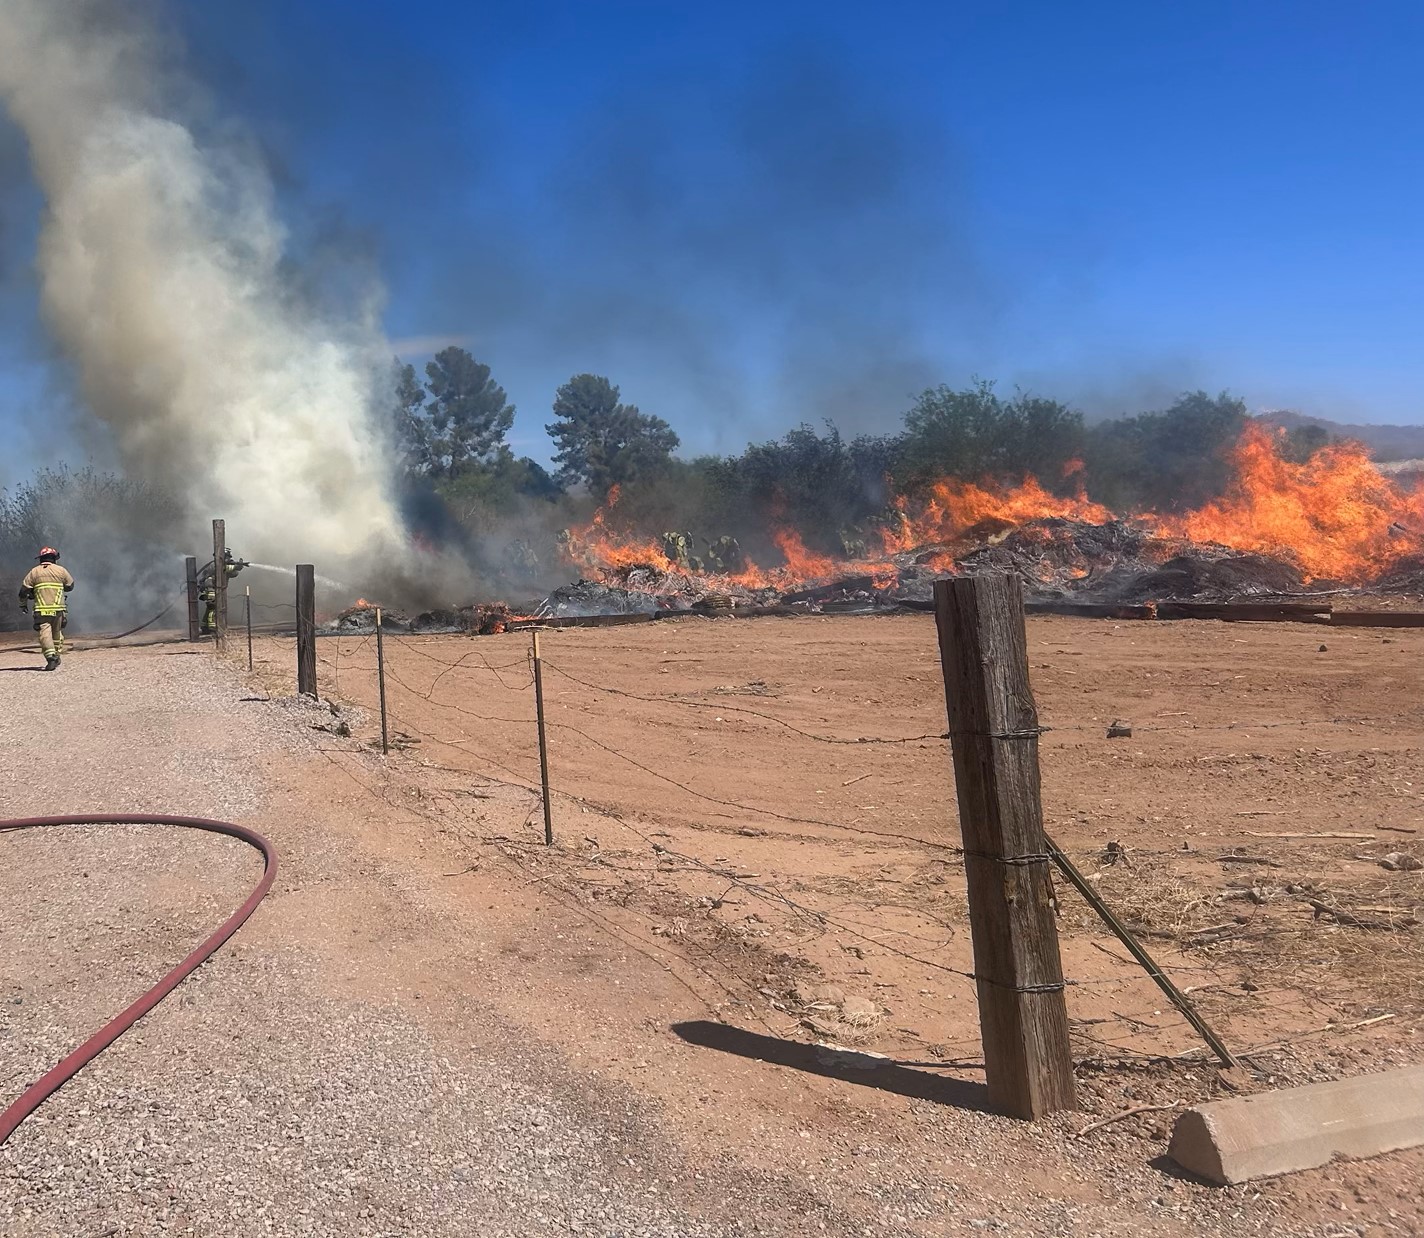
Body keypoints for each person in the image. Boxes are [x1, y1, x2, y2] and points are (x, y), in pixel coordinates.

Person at [18, 547, 74, 671]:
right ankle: (56, 655)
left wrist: (23, 604)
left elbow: (23, 592)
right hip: (59, 609)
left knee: (45, 635)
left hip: (41, 610)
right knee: (57, 633)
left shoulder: (34, 572)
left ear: (41, 559)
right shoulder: (61, 571)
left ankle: (51, 658)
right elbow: (70, 586)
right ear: (54, 558)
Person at [197, 549, 246, 634]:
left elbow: (234, 574)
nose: (228, 559)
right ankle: (211, 627)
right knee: (213, 607)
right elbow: (222, 568)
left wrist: (236, 566)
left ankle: (205, 626)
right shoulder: (215, 564)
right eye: (226, 557)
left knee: (210, 608)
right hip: (210, 588)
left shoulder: (222, 566)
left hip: (214, 589)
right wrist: (236, 566)